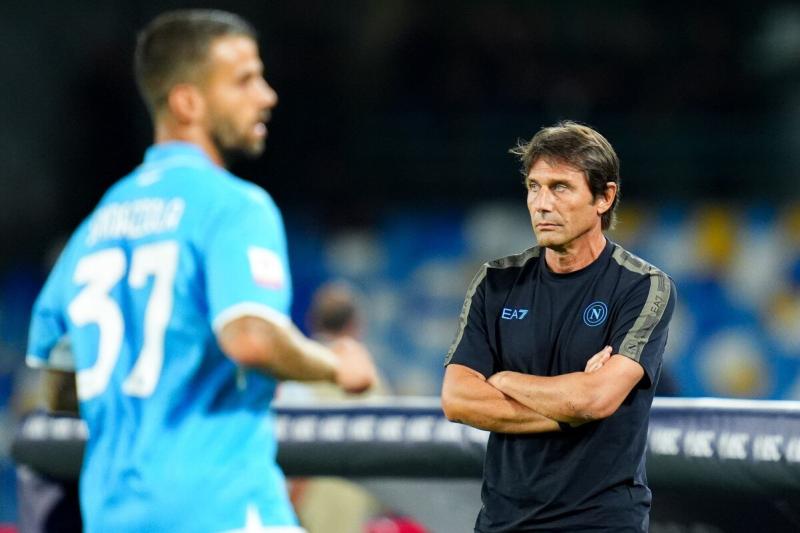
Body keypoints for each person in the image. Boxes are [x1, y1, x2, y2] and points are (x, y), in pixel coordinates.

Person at [25, 9, 376, 533]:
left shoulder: (94, 227)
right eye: (244, 80)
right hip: (221, 508)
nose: (267, 95)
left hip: (115, 515)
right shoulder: (235, 206)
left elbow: (59, 387)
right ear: (187, 102)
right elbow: (250, 338)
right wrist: (333, 365)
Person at [441, 121, 676, 532]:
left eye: (560, 187)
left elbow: (595, 399)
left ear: (604, 197)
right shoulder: (496, 282)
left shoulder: (643, 287)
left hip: (601, 523)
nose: (542, 204)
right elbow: (458, 399)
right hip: (504, 522)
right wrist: (571, 407)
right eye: (534, 187)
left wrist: (503, 379)